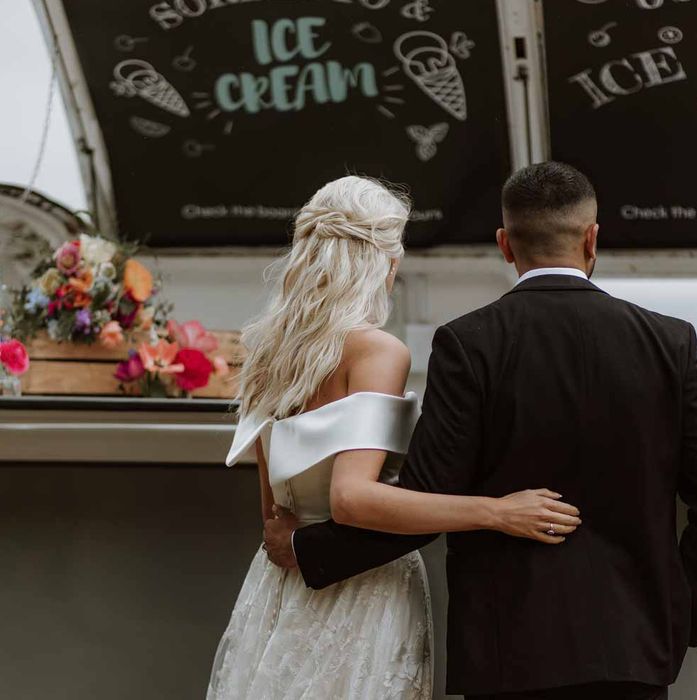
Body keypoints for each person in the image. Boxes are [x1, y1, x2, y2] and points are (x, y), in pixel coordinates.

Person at [265, 162, 697, 700]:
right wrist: (677, 614)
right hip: (634, 649)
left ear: (504, 244)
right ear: (593, 239)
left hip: (507, 650)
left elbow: (429, 497)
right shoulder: (670, 342)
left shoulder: (469, 343)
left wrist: (310, 548)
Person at [206, 175, 581, 700]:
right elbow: (353, 498)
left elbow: (274, 516)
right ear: (385, 261)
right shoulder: (377, 352)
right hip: (362, 590)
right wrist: (497, 512)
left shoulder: (269, 353)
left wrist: (293, 542)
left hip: (281, 587)